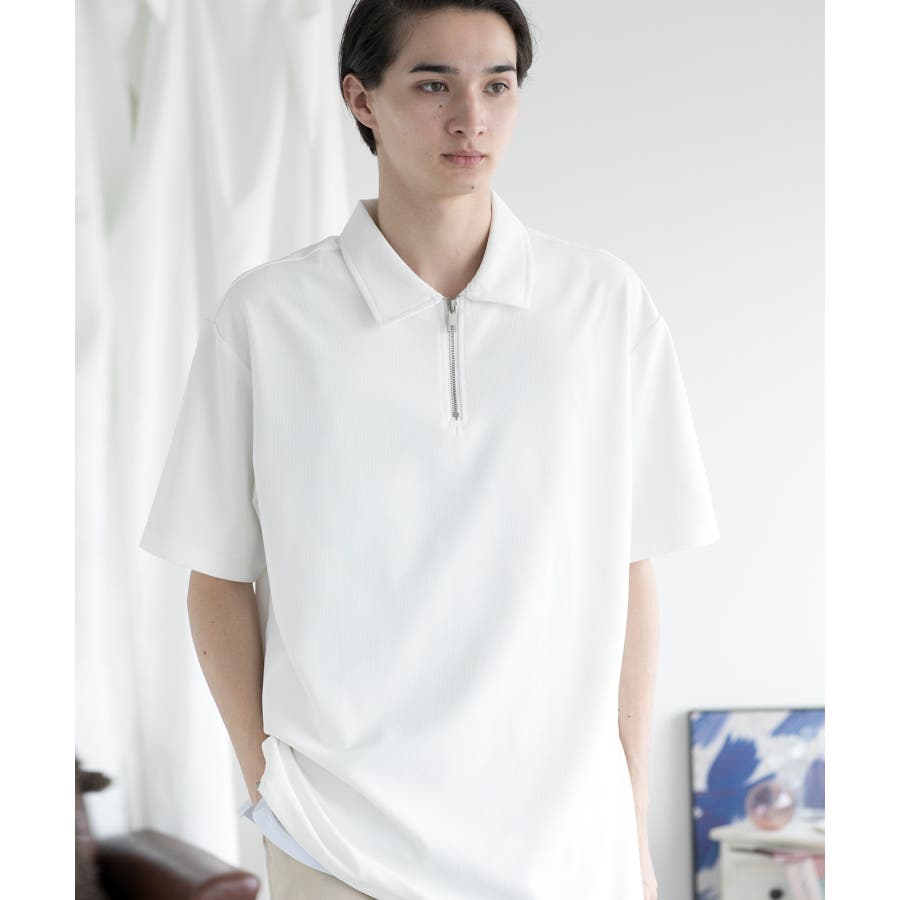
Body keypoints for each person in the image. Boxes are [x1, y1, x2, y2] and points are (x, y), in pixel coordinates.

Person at [139, 0, 720, 897]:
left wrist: (631, 811)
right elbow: (214, 575)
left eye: (498, 85)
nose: (471, 117)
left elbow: (630, 567)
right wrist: (269, 789)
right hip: (340, 845)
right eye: (433, 84)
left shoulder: (605, 306)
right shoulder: (268, 317)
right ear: (360, 99)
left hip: (567, 849)